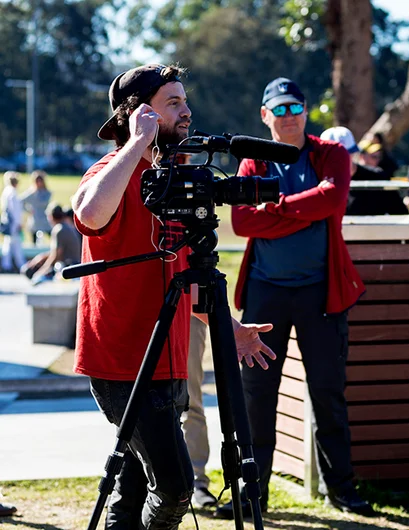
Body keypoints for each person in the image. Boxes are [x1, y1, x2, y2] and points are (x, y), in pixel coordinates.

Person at [71, 63, 276, 529]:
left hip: (169, 360)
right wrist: (137, 143)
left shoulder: (173, 182)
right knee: (177, 485)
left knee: (136, 486)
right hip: (123, 364)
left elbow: (187, 273)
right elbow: (89, 214)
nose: (187, 112)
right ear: (138, 114)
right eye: (174, 103)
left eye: (186, 100)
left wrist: (232, 330)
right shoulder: (112, 171)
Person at [222, 77, 373, 519]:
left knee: (327, 393)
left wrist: (277, 206)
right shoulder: (252, 161)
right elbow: (243, 224)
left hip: (321, 295)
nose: (289, 117)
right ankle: (253, 493)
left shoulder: (331, 154)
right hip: (266, 294)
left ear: (307, 113)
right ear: (265, 115)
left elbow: (332, 199)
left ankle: (341, 490)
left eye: (296, 109)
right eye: (279, 110)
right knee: (256, 397)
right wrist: (299, 209)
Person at [323, 127, 408, 216]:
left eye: (343, 155)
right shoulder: (315, 179)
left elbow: (401, 215)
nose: (337, 160)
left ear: (353, 153)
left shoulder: (377, 179)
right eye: (330, 156)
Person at [181, 315, 217, 509]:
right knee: (136, 400)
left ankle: (196, 482)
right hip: (143, 306)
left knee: (190, 400)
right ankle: (132, 483)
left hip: (190, 311)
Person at [20, 203, 81, 285]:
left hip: (66, 267)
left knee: (32, 274)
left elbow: (55, 256)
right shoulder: (68, 226)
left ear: (51, 217)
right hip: (74, 263)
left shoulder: (59, 229)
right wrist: (41, 258)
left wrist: (40, 272)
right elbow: (58, 251)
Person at [1, 171, 25, 273]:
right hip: (13, 223)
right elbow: (15, 210)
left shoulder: (6, 191)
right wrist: (18, 223)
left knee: (8, 243)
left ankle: (7, 264)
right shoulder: (13, 193)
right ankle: (21, 264)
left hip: (8, 222)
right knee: (16, 244)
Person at [20, 170, 52, 245]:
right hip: (35, 220)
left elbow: (46, 203)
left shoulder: (47, 193)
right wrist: (28, 210)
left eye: (40, 181)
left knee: (52, 235)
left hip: (45, 219)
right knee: (34, 242)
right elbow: (21, 201)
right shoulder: (31, 193)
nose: (39, 183)